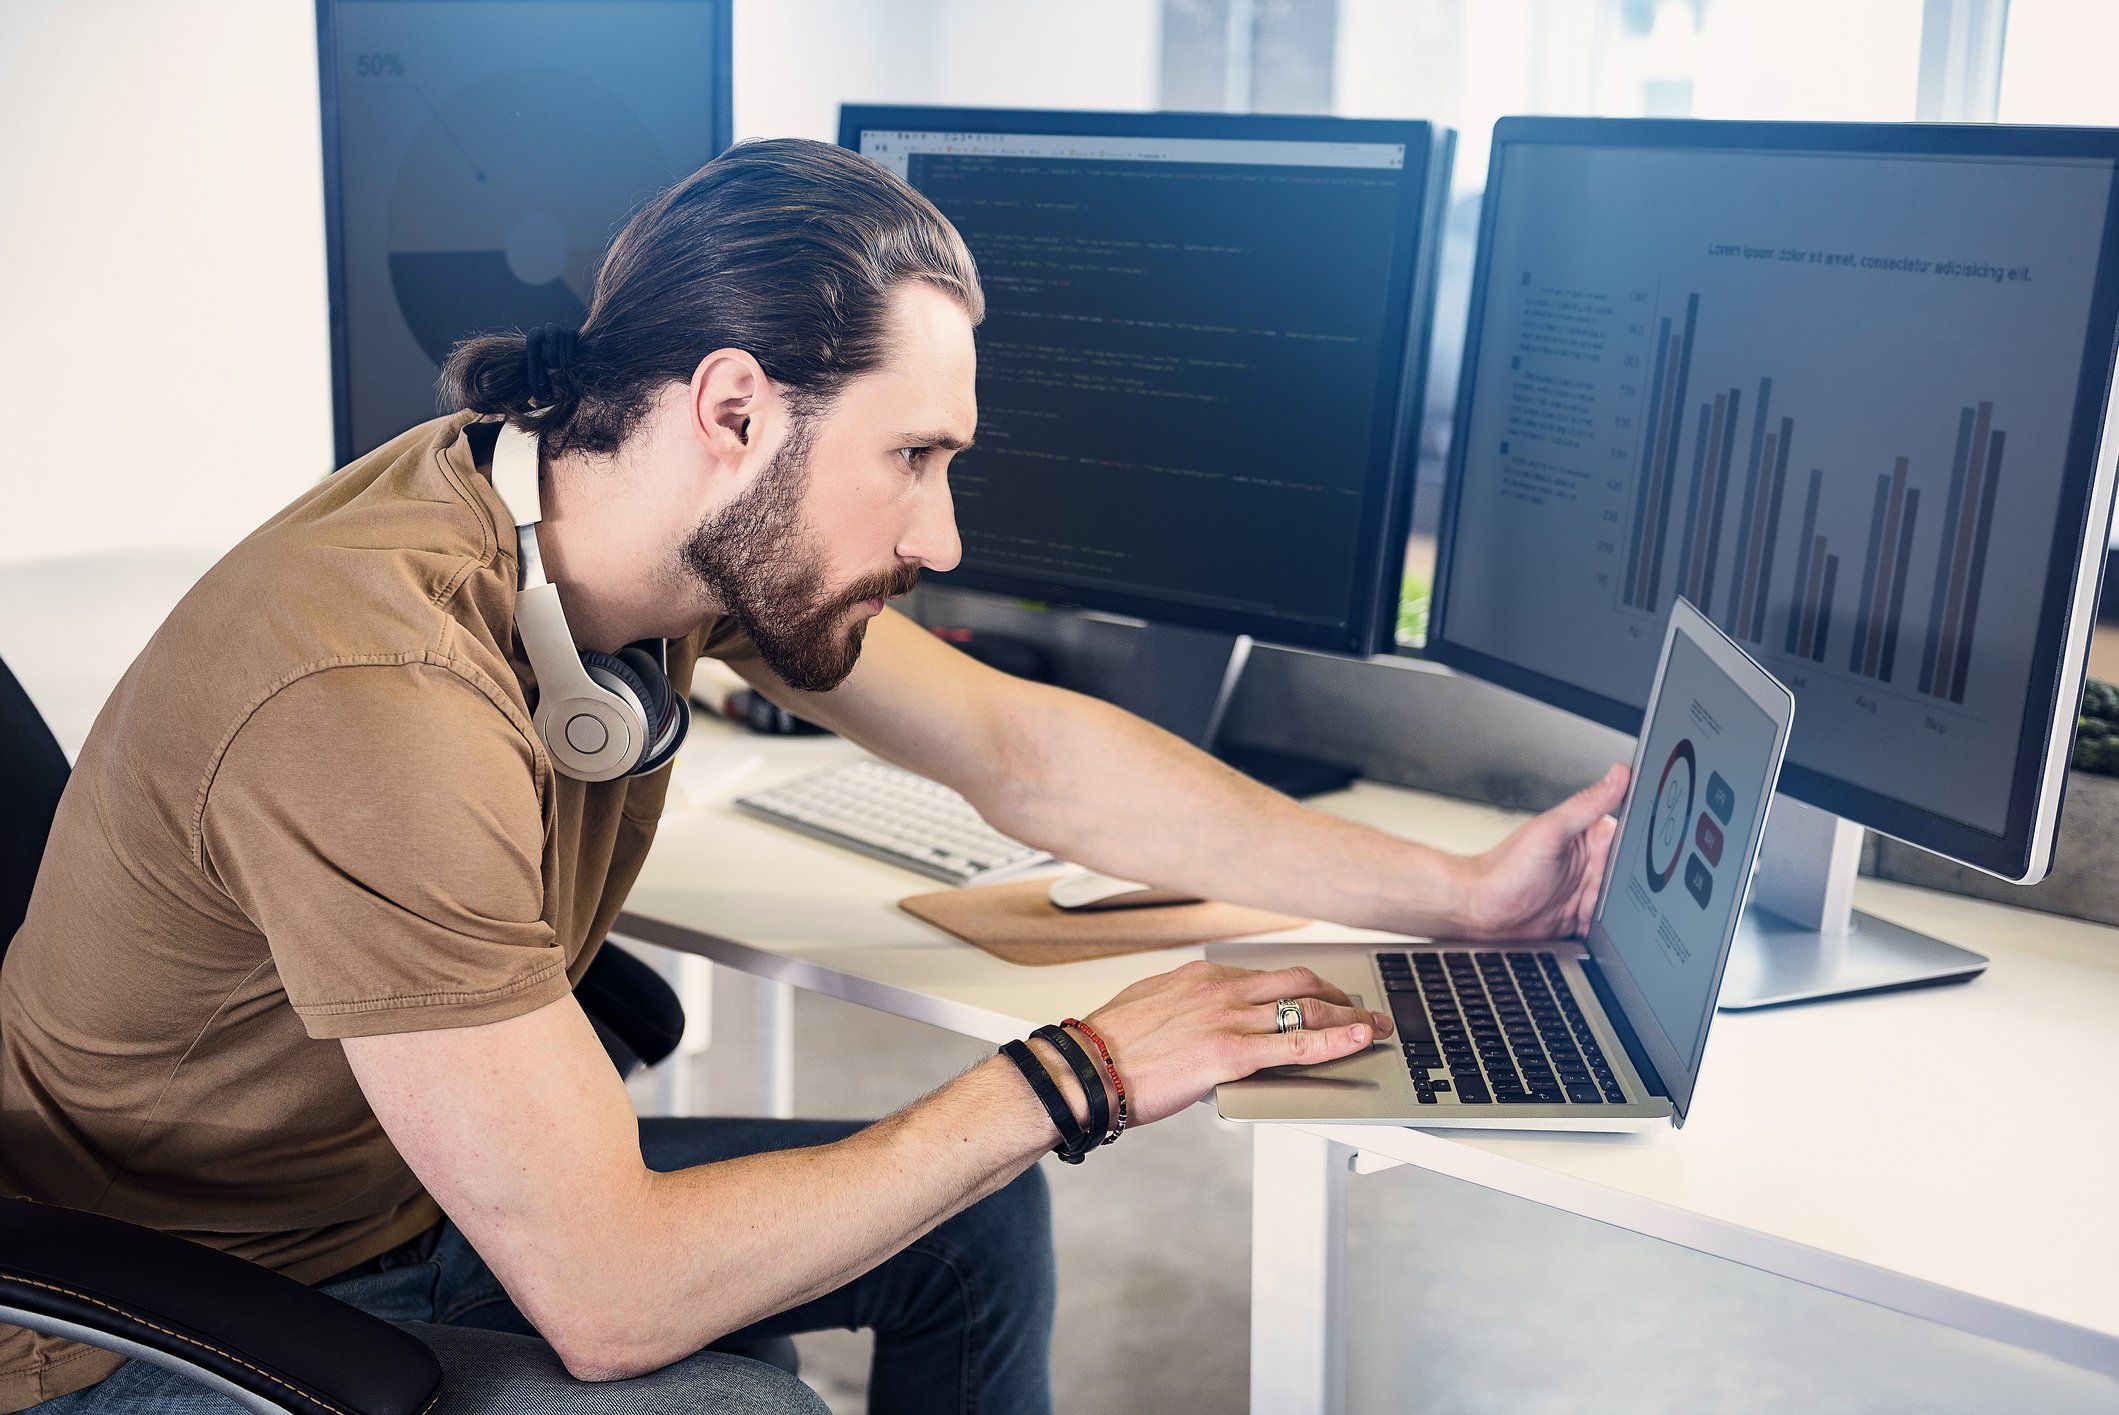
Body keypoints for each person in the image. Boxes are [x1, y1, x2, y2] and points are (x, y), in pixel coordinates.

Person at [0, 138, 1626, 1414]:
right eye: (911, 459)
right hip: (159, 1316)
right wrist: (1080, 1073)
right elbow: (612, 1295)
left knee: (970, 1226)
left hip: (386, 1207)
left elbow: (1024, 752)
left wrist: (1469, 894)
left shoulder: (626, 525)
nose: (941, 539)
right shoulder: (378, 691)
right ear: (731, 407)